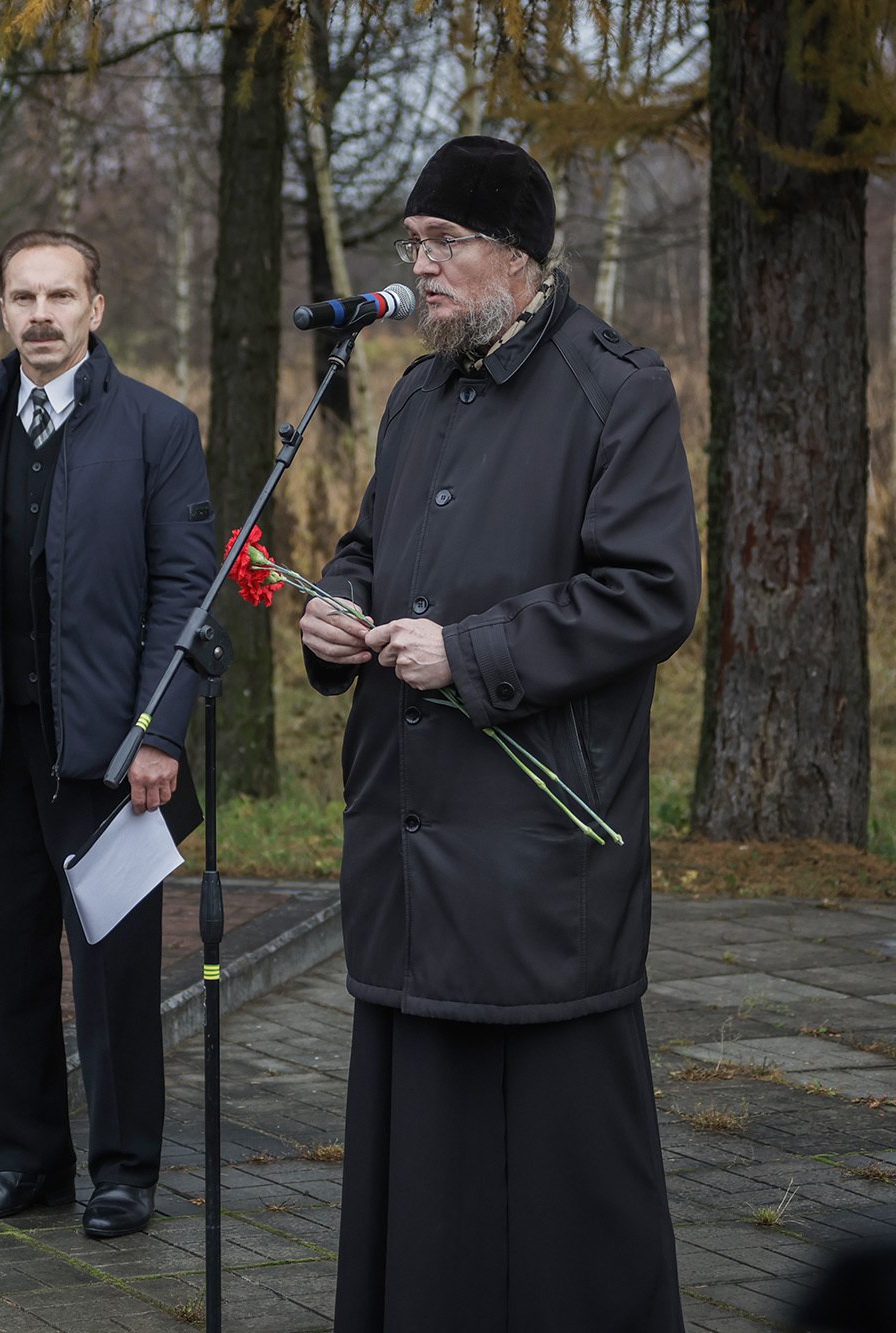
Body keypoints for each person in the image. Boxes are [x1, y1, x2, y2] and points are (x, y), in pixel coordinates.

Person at [299, 136, 700, 1330]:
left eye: (442, 243)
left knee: (559, 1165)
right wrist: (336, 604)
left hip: (535, 847)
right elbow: (372, 545)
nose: (417, 265)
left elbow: (647, 592)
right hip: (407, 835)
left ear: (516, 255)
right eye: (411, 243)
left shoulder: (615, 389)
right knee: (421, 1151)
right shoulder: (416, 393)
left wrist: (467, 653)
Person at [0, 229, 216, 1240]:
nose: (40, 314)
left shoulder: (158, 427)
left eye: (59, 296)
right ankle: (23, 1159)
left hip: (110, 752)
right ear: (1, 310)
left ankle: (122, 1171)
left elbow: (186, 589)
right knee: (1, 961)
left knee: (112, 968)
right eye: (23, 297)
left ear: (94, 309)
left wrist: (159, 732)